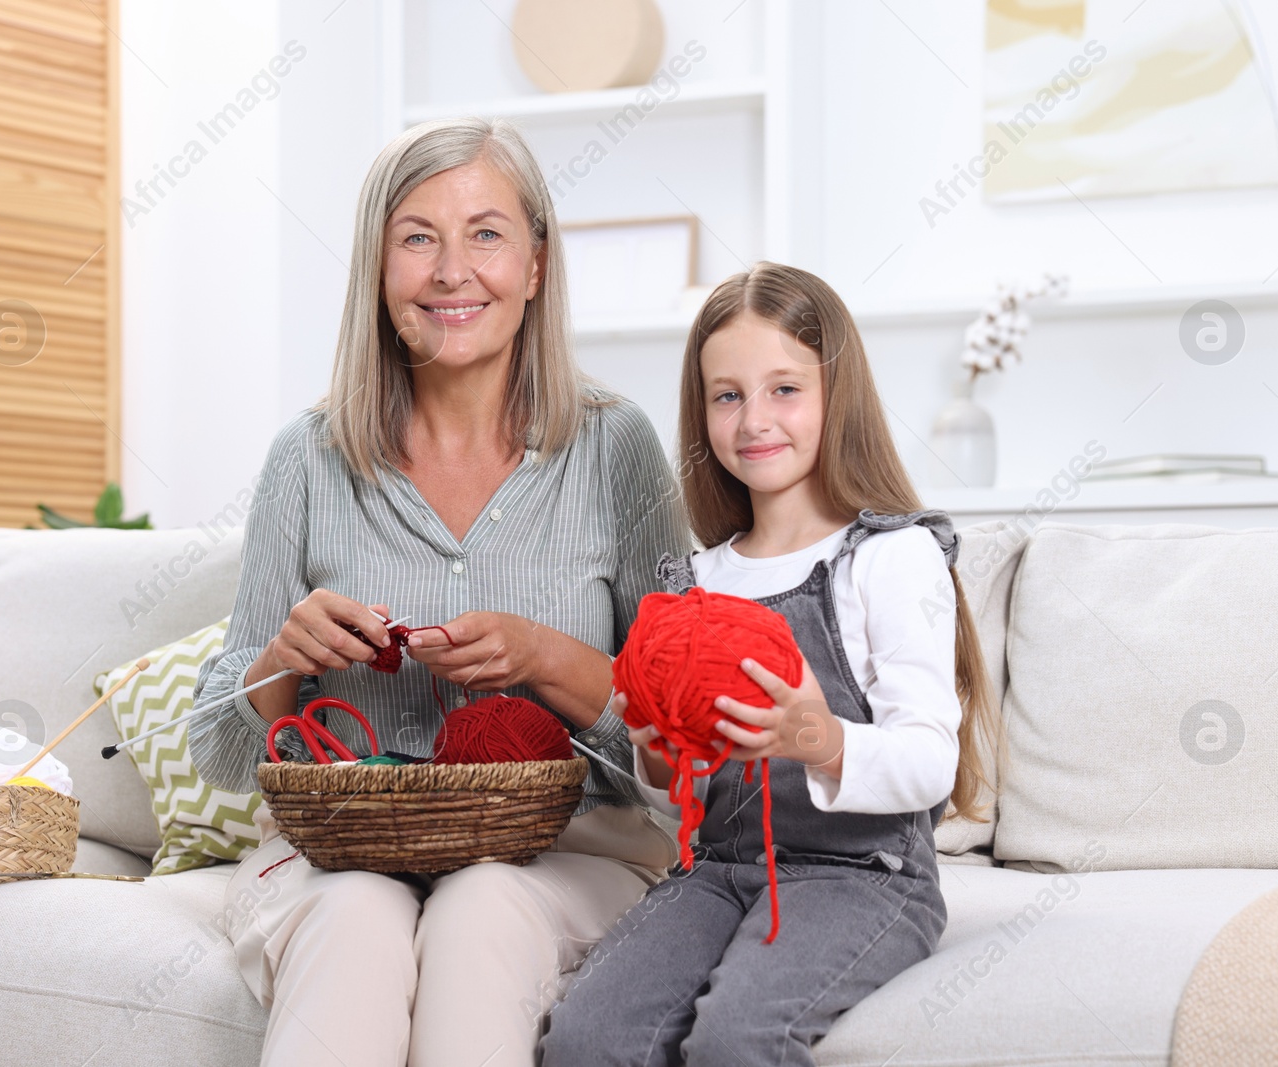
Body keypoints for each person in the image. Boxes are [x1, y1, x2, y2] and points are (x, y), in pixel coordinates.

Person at [186, 116, 688, 1067]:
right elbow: (218, 746)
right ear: (379, 272)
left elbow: (682, 748)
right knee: (357, 922)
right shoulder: (306, 458)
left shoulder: (620, 450)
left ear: (536, 265)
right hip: (344, 851)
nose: (452, 270)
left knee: (481, 907)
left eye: (487, 234)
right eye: (418, 237)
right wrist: (282, 660)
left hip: (565, 851)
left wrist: (546, 659)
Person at [539, 262, 995, 1066]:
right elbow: (676, 791)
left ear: (835, 395)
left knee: (740, 1035)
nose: (755, 419)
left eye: (785, 388)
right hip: (720, 867)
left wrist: (814, 733)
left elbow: (930, 760)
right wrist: (654, 749)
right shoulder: (697, 579)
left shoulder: (891, 558)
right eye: (727, 394)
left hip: (868, 874)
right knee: (589, 1034)